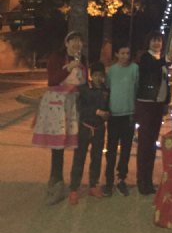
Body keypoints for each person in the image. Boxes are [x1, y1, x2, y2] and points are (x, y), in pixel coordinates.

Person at [32, 30, 87, 205]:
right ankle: (56, 183)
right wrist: (69, 69)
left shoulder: (82, 60)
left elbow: (85, 82)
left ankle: (64, 184)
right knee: (57, 148)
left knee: (71, 145)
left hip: (73, 105)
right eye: (73, 40)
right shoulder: (57, 58)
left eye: (79, 41)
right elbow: (52, 80)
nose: (77, 44)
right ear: (66, 43)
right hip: (57, 105)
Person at [135, 31, 172, 195]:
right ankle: (141, 180)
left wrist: (166, 103)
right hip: (146, 104)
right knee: (145, 143)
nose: (156, 43)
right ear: (148, 43)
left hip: (158, 105)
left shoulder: (161, 61)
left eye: (159, 40)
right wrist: (166, 59)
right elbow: (151, 68)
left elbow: (166, 83)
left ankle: (148, 179)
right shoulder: (146, 58)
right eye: (153, 40)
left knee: (152, 143)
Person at [68, 62, 109, 205]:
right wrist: (96, 111)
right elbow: (80, 108)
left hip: (99, 129)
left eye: (101, 75)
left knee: (96, 158)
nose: (98, 78)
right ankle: (74, 188)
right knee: (79, 158)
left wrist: (107, 114)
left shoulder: (106, 90)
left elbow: (108, 107)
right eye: (96, 75)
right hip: (85, 128)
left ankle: (93, 185)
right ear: (91, 75)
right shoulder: (84, 89)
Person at [103, 42, 139, 197]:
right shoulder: (111, 71)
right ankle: (109, 180)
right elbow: (108, 89)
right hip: (114, 115)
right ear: (116, 54)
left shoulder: (134, 69)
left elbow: (137, 88)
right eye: (122, 53)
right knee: (111, 149)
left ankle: (121, 178)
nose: (125, 56)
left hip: (129, 115)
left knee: (126, 149)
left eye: (127, 53)